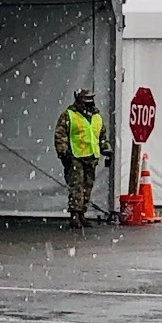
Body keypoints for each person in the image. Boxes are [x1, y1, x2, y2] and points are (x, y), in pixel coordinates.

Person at [54, 88, 111, 229]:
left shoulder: (96, 116)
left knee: (87, 186)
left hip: (91, 157)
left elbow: (101, 135)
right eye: (86, 99)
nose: (89, 102)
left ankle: (81, 214)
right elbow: (60, 134)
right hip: (75, 156)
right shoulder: (69, 115)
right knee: (76, 186)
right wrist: (63, 152)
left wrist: (106, 150)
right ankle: (75, 215)